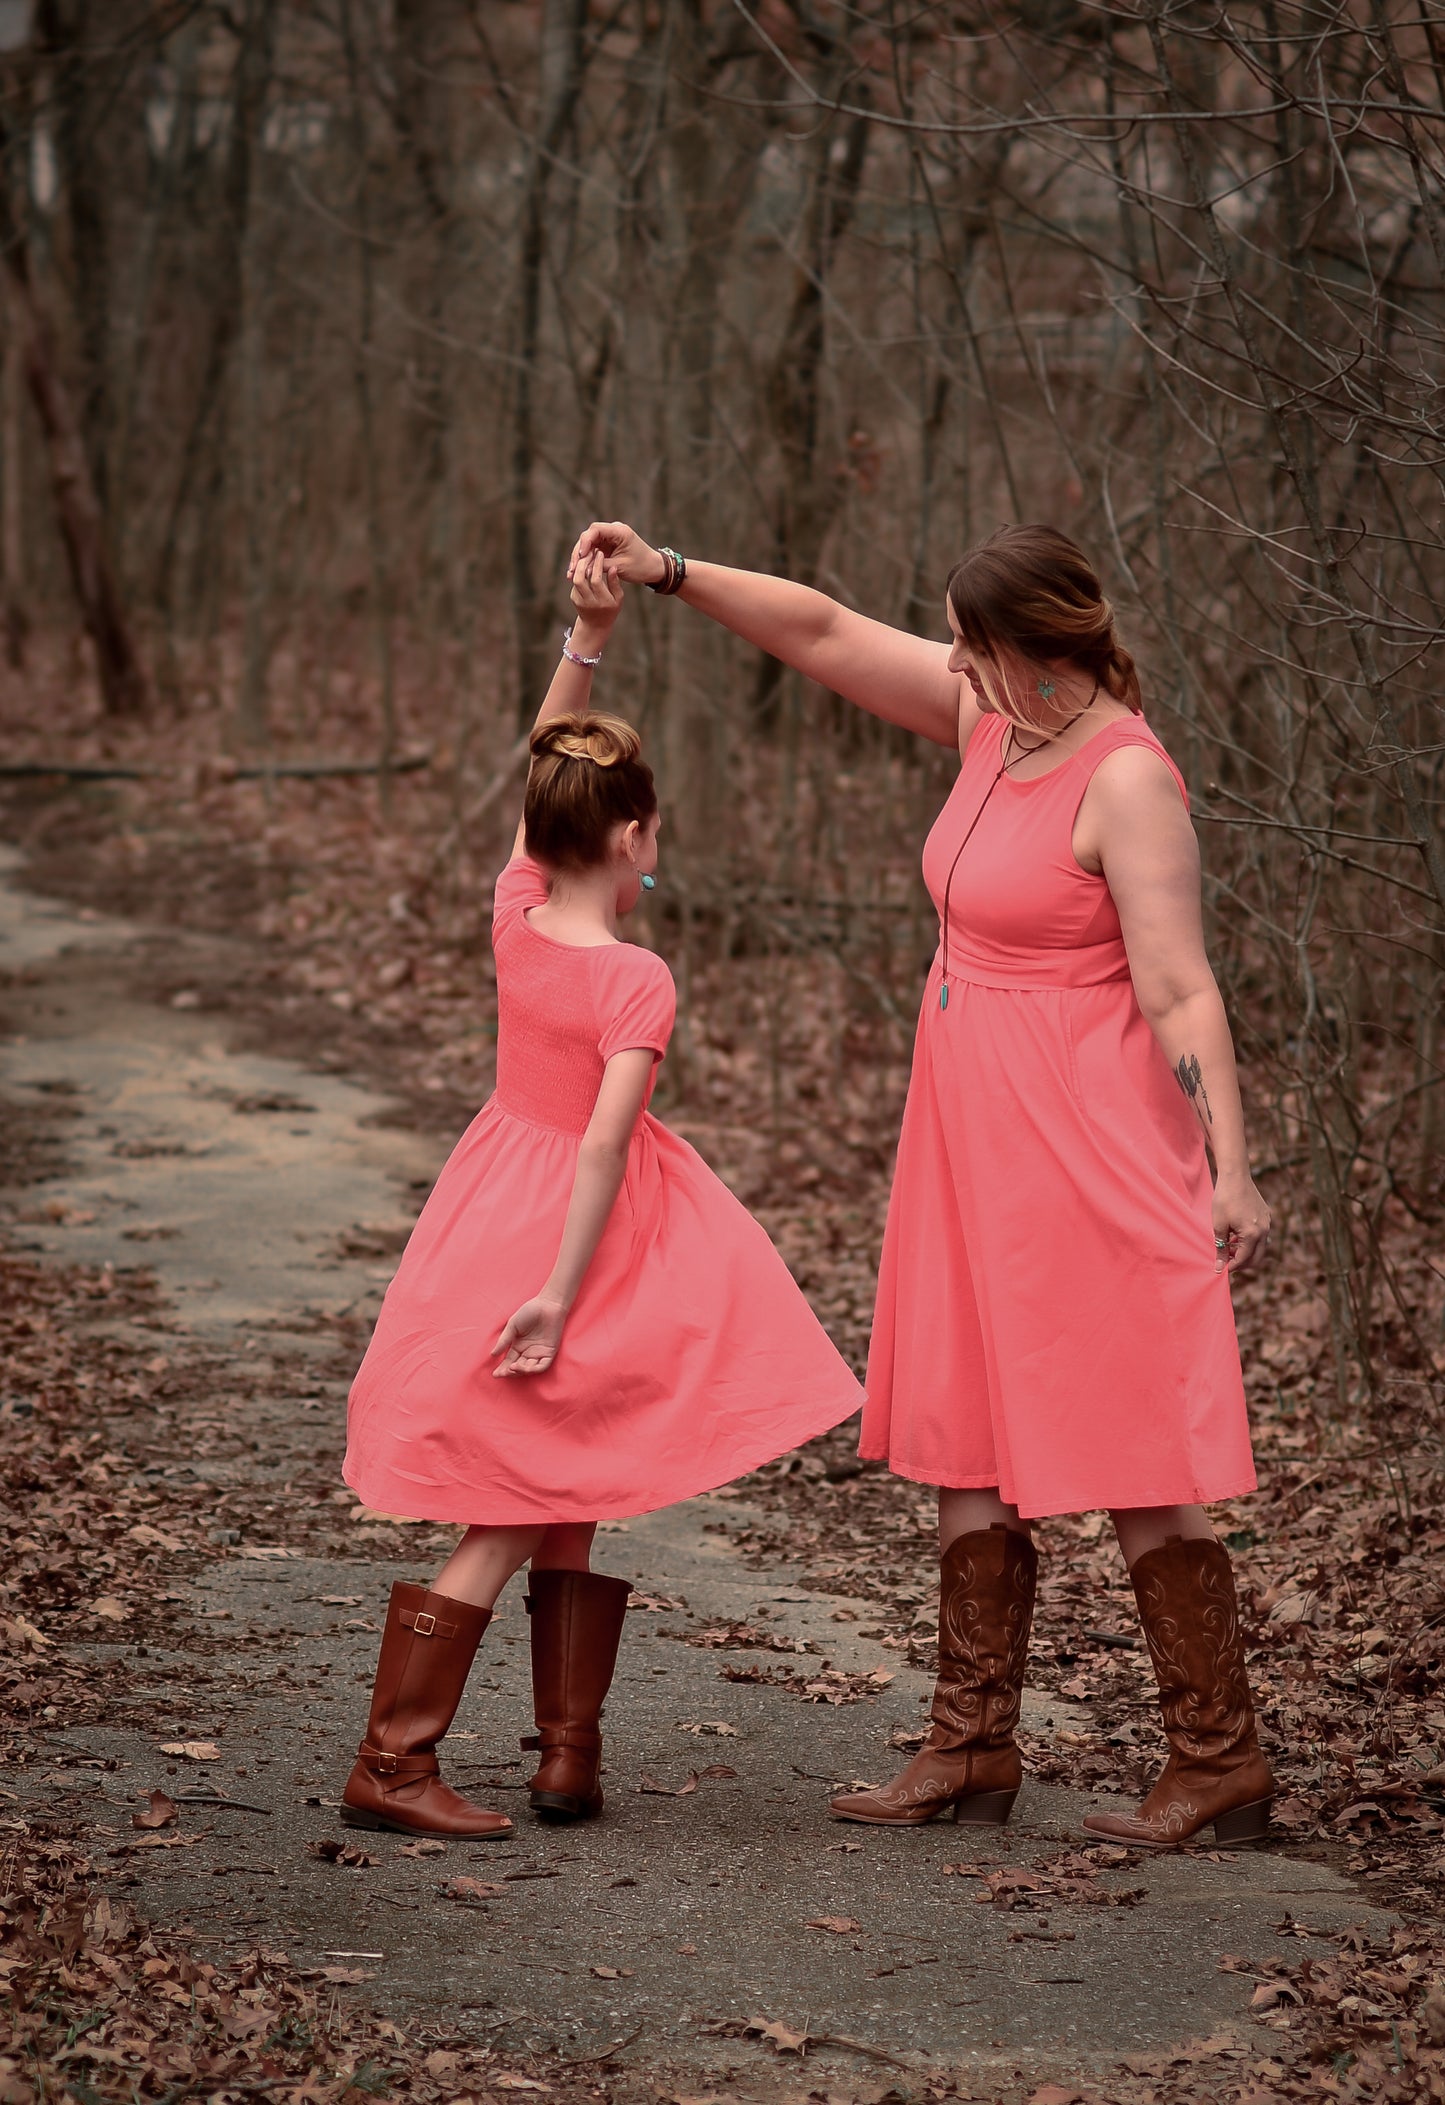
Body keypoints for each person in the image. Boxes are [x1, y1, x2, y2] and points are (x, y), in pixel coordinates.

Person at [566, 520, 1275, 1850]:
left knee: (1126, 1431)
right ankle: (969, 1746)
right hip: (968, 1132)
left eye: (972, 641)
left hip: (1089, 1136)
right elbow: (826, 632)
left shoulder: (1124, 778)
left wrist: (1230, 1163)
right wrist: (669, 571)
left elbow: (1180, 986)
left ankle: (1217, 1758)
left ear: (1039, 650)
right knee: (962, 1427)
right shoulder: (989, 720)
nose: (951, 659)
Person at [339, 556, 863, 1839]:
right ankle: (392, 1764)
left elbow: (540, 772)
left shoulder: (516, 910)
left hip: (490, 1197)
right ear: (628, 838)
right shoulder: (636, 976)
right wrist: (559, 1295)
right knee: (518, 1497)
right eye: (652, 824)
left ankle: (567, 1755)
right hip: (571, 1235)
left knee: (564, 1469)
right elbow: (603, 1150)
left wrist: (590, 637)